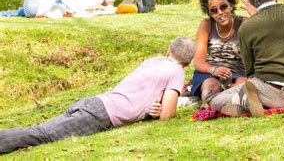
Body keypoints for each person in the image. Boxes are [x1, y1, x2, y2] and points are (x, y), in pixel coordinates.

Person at [0, 37, 195, 154]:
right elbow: (168, 116)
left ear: (169, 50)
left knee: (38, 130)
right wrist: (162, 109)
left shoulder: (153, 61)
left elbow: (143, 95)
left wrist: (152, 110)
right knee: (41, 135)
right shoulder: (177, 71)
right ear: (188, 62)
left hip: (94, 103)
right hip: (100, 114)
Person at [190, 0, 246, 102]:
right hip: (209, 72)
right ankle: (215, 102)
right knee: (210, 88)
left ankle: (224, 102)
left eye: (223, 7)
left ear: (231, 5)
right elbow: (198, 60)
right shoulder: (206, 25)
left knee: (242, 85)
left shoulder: (244, 23)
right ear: (209, 13)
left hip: (238, 72)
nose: (220, 13)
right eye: (214, 11)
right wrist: (213, 70)